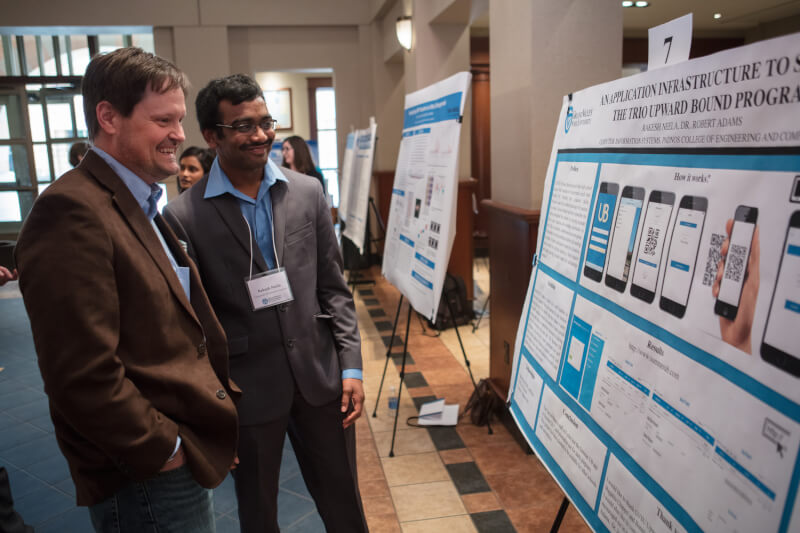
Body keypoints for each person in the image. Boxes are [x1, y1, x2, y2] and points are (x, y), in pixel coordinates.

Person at [14, 47, 240, 532]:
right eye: (163, 120)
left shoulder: (137, 198)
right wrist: (165, 450)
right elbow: (81, 373)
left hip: (177, 447)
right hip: (144, 470)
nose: (179, 135)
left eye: (179, 120)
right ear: (108, 117)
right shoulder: (71, 212)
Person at [163, 74, 367, 533]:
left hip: (320, 378)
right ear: (212, 136)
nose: (260, 135)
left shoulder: (308, 193)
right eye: (243, 126)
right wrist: (212, 409)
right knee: (258, 514)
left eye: (265, 122)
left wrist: (350, 366)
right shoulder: (182, 217)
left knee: (344, 504)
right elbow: (191, 325)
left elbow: (332, 288)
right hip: (246, 391)